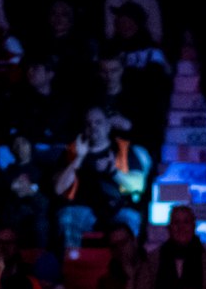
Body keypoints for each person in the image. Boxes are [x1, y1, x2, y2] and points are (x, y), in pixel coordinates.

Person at [53, 105, 150, 249]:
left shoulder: (123, 149)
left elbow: (138, 185)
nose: (93, 127)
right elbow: (58, 188)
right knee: (67, 217)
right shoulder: (73, 151)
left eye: (98, 122)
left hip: (117, 208)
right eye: (89, 124)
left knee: (130, 218)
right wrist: (78, 158)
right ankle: (73, 260)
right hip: (83, 210)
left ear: (108, 126)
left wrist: (113, 171)